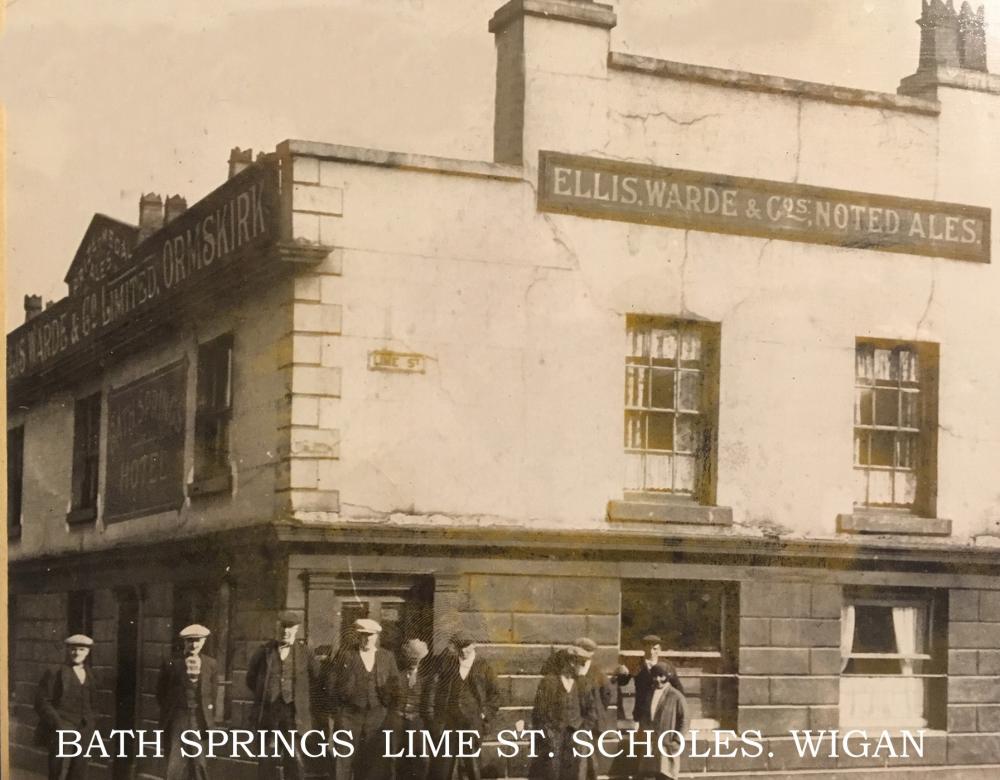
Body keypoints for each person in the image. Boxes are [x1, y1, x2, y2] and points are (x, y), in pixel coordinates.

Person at [246, 611, 320, 780]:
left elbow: (316, 679)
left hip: (293, 714)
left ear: (297, 629)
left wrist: (302, 700)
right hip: (268, 712)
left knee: (294, 757)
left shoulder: (305, 653)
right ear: (277, 627)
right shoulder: (264, 651)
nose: (285, 631)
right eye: (282, 627)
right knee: (267, 758)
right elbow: (251, 680)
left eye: (290, 628)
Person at [326, 618, 399, 780]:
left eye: (370, 635)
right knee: (343, 759)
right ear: (358, 636)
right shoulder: (345, 655)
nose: (367, 639)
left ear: (377, 636)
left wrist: (388, 710)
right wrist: (338, 711)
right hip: (349, 715)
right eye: (363, 635)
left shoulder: (387, 656)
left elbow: (395, 686)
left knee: (372, 761)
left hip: (377, 716)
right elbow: (331, 683)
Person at [429, 634, 500, 780]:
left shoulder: (484, 666)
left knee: (472, 764)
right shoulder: (448, 664)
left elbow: (495, 695)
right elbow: (436, 689)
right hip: (449, 722)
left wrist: (483, 714)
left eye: (467, 648)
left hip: (472, 723)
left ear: (474, 645)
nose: (463, 652)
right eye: (460, 648)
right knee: (444, 765)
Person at [157, 624, 217, 780]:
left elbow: (212, 694)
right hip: (177, 719)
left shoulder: (210, 664)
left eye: (198, 641)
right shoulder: (171, 663)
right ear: (184, 642)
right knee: (174, 765)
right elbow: (160, 693)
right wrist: (174, 711)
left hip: (199, 719)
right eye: (190, 641)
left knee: (199, 764)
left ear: (204, 641)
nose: (194, 645)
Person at [35, 634, 98, 780]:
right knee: (57, 765)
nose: (77, 653)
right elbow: (42, 701)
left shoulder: (91, 673)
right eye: (73, 649)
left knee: (80, 766)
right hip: (62, 723)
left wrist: (92, 719)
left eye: (81, 649)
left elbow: (93, 700)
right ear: (68, 650)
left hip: (85, 725)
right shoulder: (55, 672)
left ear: (87, 652)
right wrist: (57, 722)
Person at [528, 646, 592, 780]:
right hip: (554, 738)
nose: (582, 666)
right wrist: (548, 734)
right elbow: (539, 713)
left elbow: (590, 711)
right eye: (580, 662)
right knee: (552, 772)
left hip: (576, 737)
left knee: (575, 773)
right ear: (570, 663)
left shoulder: (582, 684)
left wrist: (583, 731)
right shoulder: (549, 682)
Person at [386, 638, 435, 780]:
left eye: (417, 658)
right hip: (398, 720)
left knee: (421, 758)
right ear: (406, 658)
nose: (414, 661)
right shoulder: (397, 676)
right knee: (393, 757)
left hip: (418, 721)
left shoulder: (428, 678)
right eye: (411, 657)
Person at [571, 638, 614, 780]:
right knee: (577, 762)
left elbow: (607, 693)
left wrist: (599, 709)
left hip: (594, 725)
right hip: (577, 724)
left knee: (592, 761)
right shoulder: (573, 671)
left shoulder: (597, 672)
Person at [635, 663, 687, 780]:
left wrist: (677, 741)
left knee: (666, 775)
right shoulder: (650, 694)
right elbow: (645, 717)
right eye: (655, 676)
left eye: (661, 676)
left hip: (667, 745)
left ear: (667, 676)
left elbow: (685, 720)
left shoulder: (676, 696)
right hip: (651, 746)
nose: (658, 679)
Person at [616, 635, 682, 725]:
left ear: (659, 649)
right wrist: (622, 672)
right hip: (642, 711)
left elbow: (678, 688)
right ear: (643, 648)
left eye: (655, 649)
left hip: (661, 710)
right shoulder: (636, 664)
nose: (651, 652)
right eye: (648, 648)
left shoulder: (667, 665)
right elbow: (622, 682)